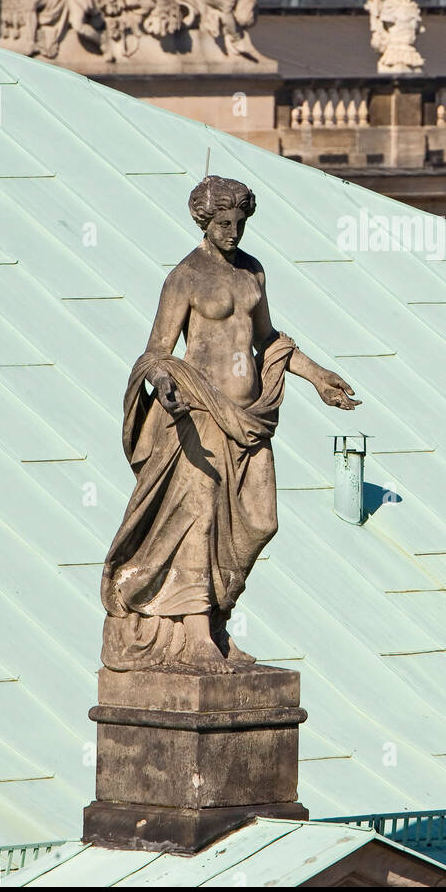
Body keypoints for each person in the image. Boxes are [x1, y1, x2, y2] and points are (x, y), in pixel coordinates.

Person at [100, 175, 359, 672]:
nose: (233, 231)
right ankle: (200, 633)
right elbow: (156, 350)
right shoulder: (186, 277)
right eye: (224, 223)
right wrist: (165, 384)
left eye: (240, 222)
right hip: (199, 416)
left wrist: (318, 376)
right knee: (199, 520)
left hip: (250, 418)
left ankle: (218, 620)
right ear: (204, 221)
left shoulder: (252, 273)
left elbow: (269, 340)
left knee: (261, 520)